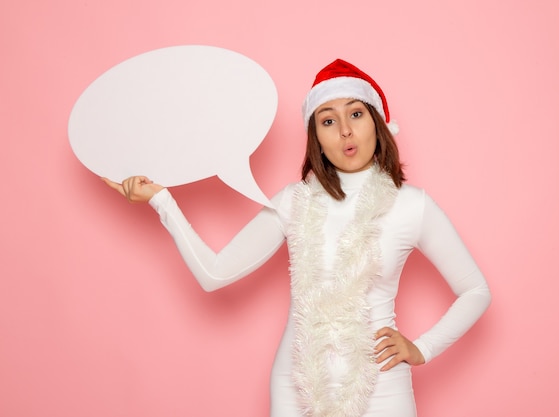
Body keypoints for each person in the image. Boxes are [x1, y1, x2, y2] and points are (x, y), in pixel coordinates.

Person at [104, 59, 492, 417]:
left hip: (381, 388)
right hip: (297, 387)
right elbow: (215, 274)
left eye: (356, 114)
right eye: (328, 120)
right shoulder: (293, 202)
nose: (344, 131)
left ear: (377, 123)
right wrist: (162, 201)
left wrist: (422, 348)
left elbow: (475, 290)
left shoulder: (412, 206)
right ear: (315, 137)